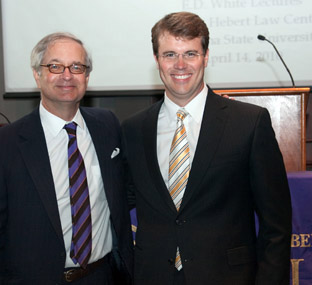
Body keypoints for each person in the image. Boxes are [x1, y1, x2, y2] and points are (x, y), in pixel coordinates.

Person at [121, 12, 292, 284]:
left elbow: (277, 226)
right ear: (156, 60)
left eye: (190, 53)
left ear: (206, 57)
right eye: (169, 55)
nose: (180, 65)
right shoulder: (132, 129)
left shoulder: (249, 123)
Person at [0, 32, 133, 284]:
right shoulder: (0, 146)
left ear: (86, 76)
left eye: (77, 67)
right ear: (37, 74)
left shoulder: (108, 126)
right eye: (55, 66)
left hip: (102, 276)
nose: (67, 75)